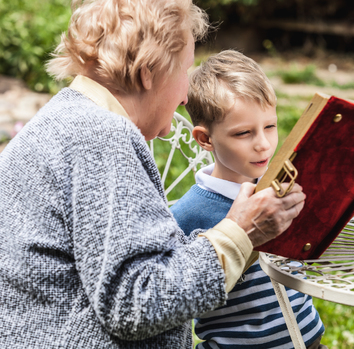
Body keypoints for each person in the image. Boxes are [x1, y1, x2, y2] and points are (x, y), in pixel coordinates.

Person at [0, 1, 306, 348]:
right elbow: (138, 303)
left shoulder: (64, 118)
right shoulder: (101, 138)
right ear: (149, 71)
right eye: (184, 70)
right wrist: (240, 233)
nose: (186, 94)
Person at [171, 50, 327, 349]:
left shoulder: (284, 189)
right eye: (243, 133)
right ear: (205, 139)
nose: (263, 144)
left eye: (270, 126)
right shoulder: (188, 215)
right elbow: (180, 297)